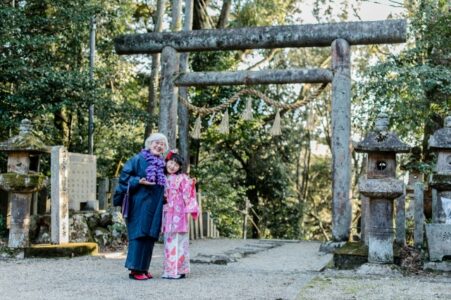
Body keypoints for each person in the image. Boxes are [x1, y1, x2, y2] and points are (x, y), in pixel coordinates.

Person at [113, 133, 168, 280]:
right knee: (139, 234)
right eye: (156, 143)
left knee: (150, 235)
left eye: (162, 144)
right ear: (149, 144)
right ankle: (134, 270)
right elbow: (124, 179)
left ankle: (144, 268)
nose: (159, 145)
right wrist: (139, 181)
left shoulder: (162, 164)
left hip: (154, 204)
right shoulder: (137, 159)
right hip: (138, 203)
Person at [161, 150, 199, 279]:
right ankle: (171, 270)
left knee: (181, 241)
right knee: (169, 241)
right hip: (168, 212)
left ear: (179, 168)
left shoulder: (182, 178)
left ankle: (181, 270)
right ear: (167, 162)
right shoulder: (162, 177)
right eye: (171, 163)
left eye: (176, 165)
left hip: (180, 212)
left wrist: (191, 184)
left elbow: (188, 193)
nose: (172, 167)